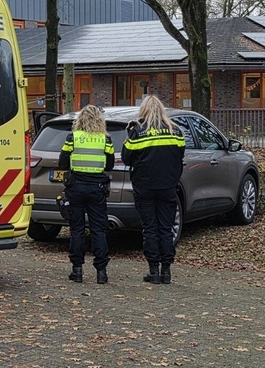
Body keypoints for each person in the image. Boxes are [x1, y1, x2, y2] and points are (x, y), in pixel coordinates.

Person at [122, 95, 185, 284]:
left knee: (150, 229)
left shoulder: (137, 130)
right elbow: (179, 155)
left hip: (144, 186)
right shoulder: (176, 131)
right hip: (168, 186)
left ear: (144, 110)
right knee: (165, 229)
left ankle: (153, 271)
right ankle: (167, 271)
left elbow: (126, 158)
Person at [59, 104, 114, 284]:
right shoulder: (105, 139)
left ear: (80, 119)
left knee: (77, 230)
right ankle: (101, 272)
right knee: (98, 230)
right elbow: (110, 165)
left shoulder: (73, 137)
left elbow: (62, 162)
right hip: (97, 188)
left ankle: (77, 270)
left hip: (75, 187)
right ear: (99, 120)